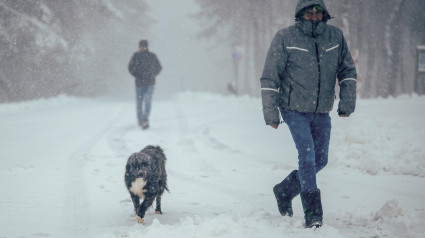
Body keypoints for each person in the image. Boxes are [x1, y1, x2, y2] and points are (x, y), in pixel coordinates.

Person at [260, 0, 357, 228]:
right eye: (309, 12)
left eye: (318, 12)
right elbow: (269, 77)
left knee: (320, 160)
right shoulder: (285, 37)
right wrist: (271, 113)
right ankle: (313, 213)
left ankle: (284, 190)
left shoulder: (335, 37)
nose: (314, 16)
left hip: (322, 110)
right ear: (299, 14)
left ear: (324, 14)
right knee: (307, 156)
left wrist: (347, 102)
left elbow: (347, 71)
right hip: (293, 108)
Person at [128, 40, 162, 129]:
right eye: (141, 46)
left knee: (147, 101)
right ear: (139, 47)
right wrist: (136, 74)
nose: (143, 48)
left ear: (147, 46)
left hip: (150, 83)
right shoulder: (136, 56)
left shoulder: (152, 56)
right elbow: (130, 67)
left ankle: (145, 119)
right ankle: (140, 120)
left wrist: (152, 74)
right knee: (139, 103)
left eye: (144, 46)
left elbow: (159, 67)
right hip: (139, 84)